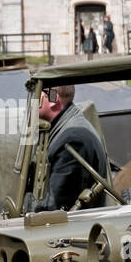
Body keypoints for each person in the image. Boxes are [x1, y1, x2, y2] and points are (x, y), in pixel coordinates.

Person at [28, 83, 108, 212]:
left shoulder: (73, 140)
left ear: (53, 99)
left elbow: (56, 207)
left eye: (38, 94)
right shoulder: (66, 130)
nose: (33, 100)